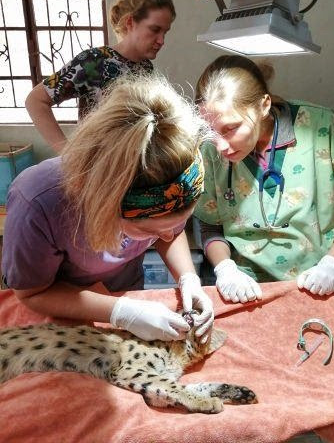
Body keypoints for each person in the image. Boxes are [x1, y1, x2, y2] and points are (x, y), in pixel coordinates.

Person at [2, 73, 214, 343]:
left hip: (125, 289)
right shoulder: (37, 203)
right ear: (106, 207)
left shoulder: (163, 186)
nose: (168, 235)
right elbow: (32, 293)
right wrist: (121, 312)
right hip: (60, 315)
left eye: (175, 224)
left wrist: (188, 278)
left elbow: (170, 232)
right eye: (150, 230)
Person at [194, 54, 334, 303]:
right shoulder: (210, 151)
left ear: (264, 105)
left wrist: (332, 264)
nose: (220, 146)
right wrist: (225, 269)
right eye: (210, 130)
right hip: (247, 290)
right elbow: (210, 224)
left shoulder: (323, 128)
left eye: (230, 128)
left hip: (316, 282)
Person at [25, 0, 176, 153]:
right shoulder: (93, 61)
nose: (161, 40)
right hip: (98, 173)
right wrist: (67, 155)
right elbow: (35, 101)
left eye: (165, 32)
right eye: (155, 29)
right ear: (130, 22)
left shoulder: (146, 68)